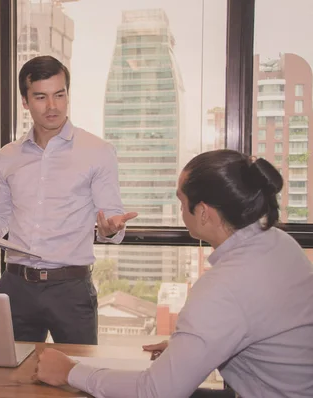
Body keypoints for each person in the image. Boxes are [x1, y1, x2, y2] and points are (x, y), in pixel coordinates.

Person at [34, 149, 313, 397]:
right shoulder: (278, 243)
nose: (181, 211)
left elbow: (155, 390)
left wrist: (70, 371)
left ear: (203, 212)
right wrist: (192, 346)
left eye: (181, 202)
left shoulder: (224, 286)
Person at [0, 55, 137, 345]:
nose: (52, 106)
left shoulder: (97, 151)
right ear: (25, 102)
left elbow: (112, 218)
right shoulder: (8, 156)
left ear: (68, 95)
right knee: (12, 379)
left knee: (78, 380)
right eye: (41, 97)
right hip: (16, 286)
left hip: (70, 289)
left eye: (60, 95)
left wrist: (110, 229)